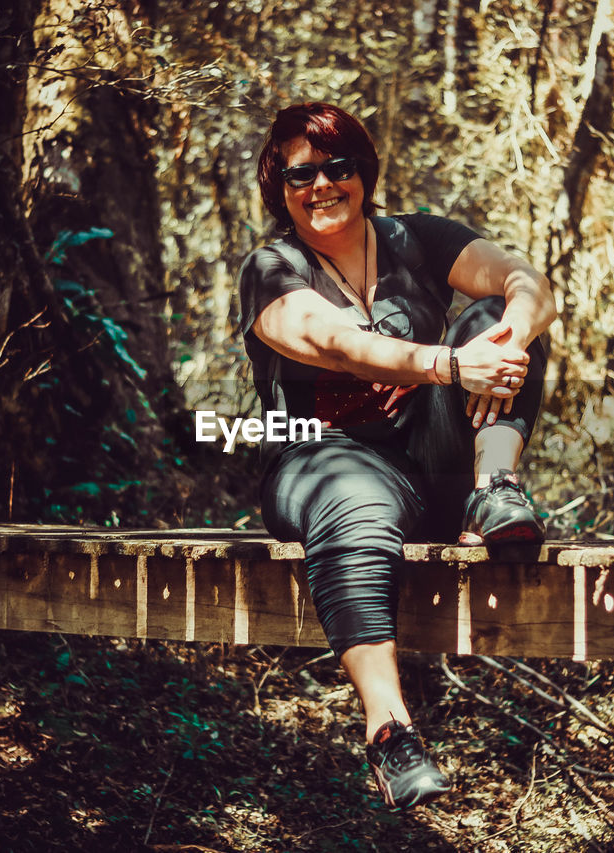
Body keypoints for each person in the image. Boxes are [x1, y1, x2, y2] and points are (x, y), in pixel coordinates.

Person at [237, 102, 555, 809]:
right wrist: (447, 363)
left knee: (499, 325)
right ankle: (391, 733)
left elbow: (528, 281)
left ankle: (496, 486)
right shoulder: (272, 268)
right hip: (321, 463)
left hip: (433, 467)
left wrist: (510, 334)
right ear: (279, 189)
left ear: (364, 173)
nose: (321, 185)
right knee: (354, 495)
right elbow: (331, 343)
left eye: (337, 168)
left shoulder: (418, 238)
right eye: (300, 174)